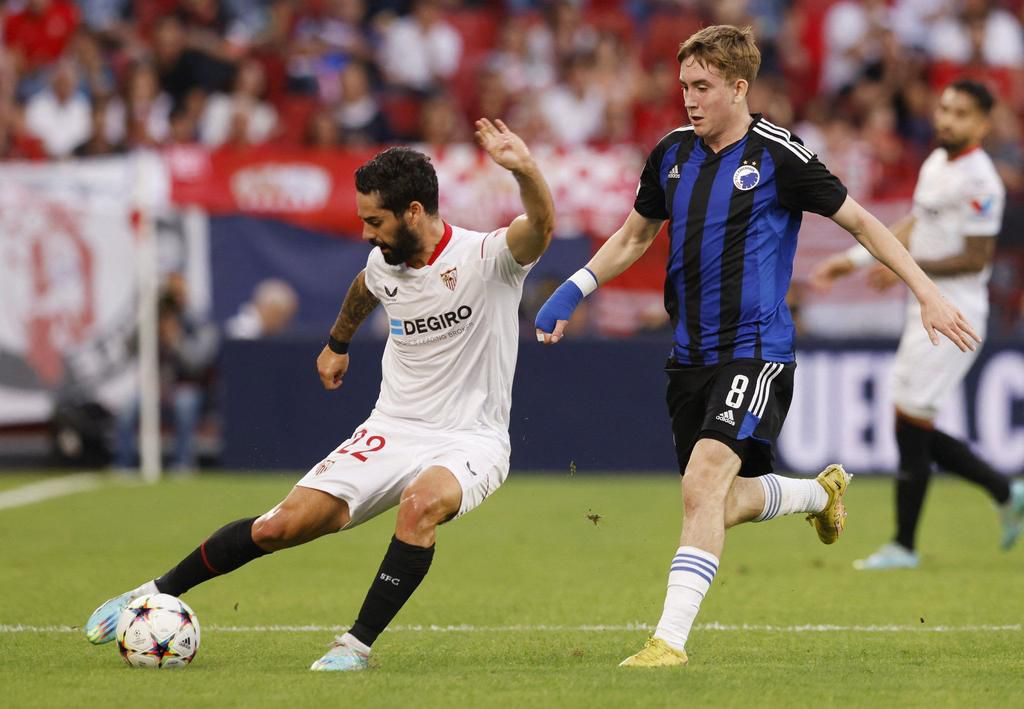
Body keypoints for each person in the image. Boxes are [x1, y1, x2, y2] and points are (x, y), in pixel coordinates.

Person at [534, 25, 980, 668]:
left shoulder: (778, 155)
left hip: (757, 350)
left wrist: (925, 293)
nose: (689, 99)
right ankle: (815, 495)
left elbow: (862, 221)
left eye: (703, 87)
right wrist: (575, 287)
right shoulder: (670, 153)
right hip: (689, 357)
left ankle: (669, 641)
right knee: (724, 497)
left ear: (738, 88)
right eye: (684, 85)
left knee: (702, 482)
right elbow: (635, 235)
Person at [85, 120, 555, 671]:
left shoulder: (488, 258)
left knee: (420, 505)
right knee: (277, 527)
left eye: (374, 221)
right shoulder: (384, 265)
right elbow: (364, 287)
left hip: (470, 438)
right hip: (392, 429)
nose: (365, 234)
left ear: (413, 212)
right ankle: (148, 593)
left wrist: (524, 170)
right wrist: (337, 343)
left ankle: (353, 647)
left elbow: (541, 227)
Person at [810, 79, 1024, 569]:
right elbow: (913, 224)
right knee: (910, 422)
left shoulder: (982, 181)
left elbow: (976, 258)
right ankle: (1004, 492)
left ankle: (905, 545)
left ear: (983, 124)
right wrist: (854, 260)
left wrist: (909, 269)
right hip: (923, 307)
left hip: (956, 314)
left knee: (911, 421)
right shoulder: (935, 163)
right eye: (944, 108)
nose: (947, 118)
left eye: (961, 113)